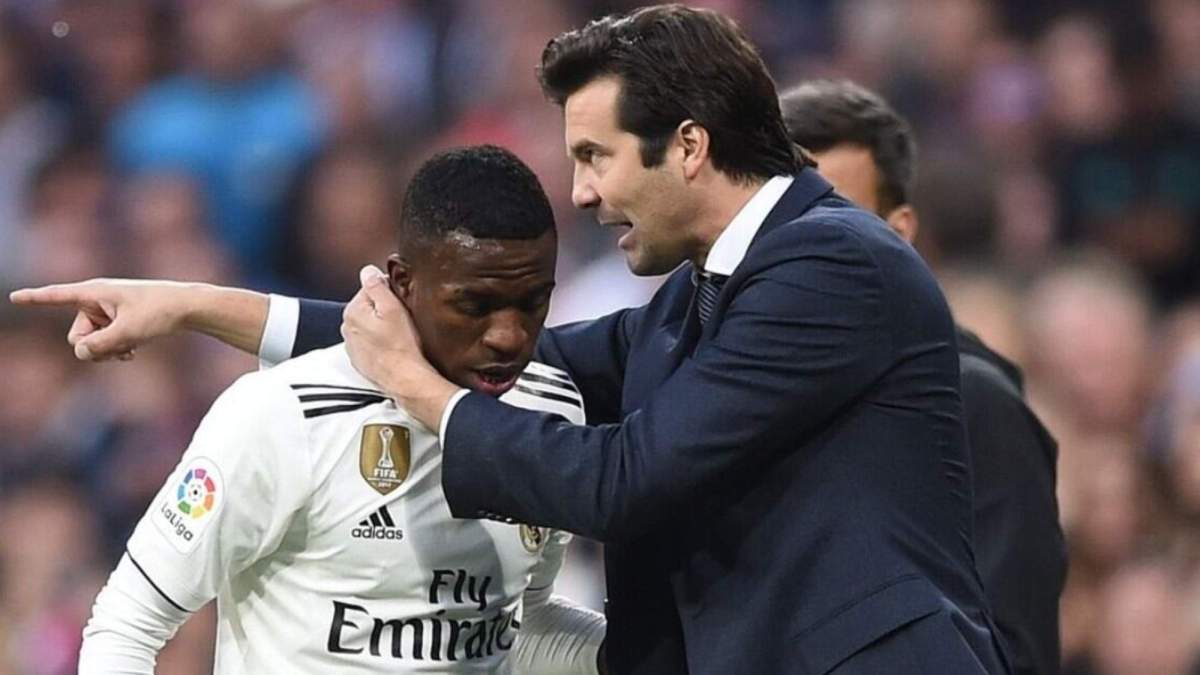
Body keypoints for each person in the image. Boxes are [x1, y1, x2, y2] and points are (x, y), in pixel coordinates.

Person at [13, 7, 1008, 675]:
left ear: (691, 146)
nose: (580, 192)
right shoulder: (711, 289)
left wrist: (413, 383)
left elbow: (620, 480)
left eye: (595, 156)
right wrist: (196, 305)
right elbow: (500, 357)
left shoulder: (835, 266)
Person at [72, 145, 606, 673]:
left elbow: (523, 627)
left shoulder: (549, 407)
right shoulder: (282, 416)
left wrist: (669, 650)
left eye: (533, 301)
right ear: (403, 283)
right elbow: (127, 625)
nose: (508, 336)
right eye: (475, 304)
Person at [779, 78, 1066, 675]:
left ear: (899, 230)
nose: (802, 245)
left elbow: (1015, 651)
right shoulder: (734, 396)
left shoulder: (973, 405)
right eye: (780, 223)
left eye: (833, 217)